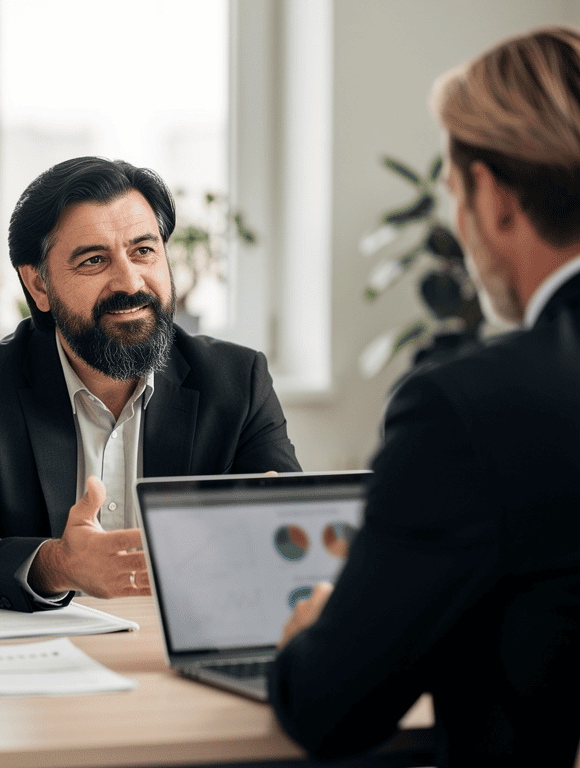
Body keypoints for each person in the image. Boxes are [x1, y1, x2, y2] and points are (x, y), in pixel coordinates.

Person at [269, 27, 580, 766]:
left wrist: (308, 634)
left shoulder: (469, 408)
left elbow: (331, 708)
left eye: (453, 191)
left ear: (495, 197)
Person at [0, 157, 300, 611]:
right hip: (37, 664)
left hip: (176, 654)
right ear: (39, 285)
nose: (129, 282)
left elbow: (289, 543)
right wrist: (58, 565)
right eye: (94, 260)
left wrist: (279, 524)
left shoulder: (237, 381)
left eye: (144, 251)